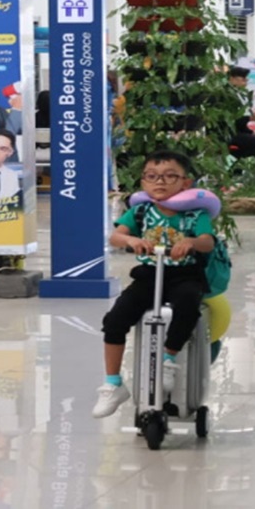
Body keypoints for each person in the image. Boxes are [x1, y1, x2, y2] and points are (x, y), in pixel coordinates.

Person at [92, 150, 216, 419]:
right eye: (152, 176)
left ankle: (169, 358)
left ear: (185, 182)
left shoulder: (196, 214)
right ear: (143, 181)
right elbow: (116, 237)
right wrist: (131, 240)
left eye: (170, 176)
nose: (160, 181)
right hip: (149, 274)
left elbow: (208, 241)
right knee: (116, 319)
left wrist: (191, 242)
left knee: (188, 305)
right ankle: (113, 383)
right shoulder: (140, 211)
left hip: (185, 275)